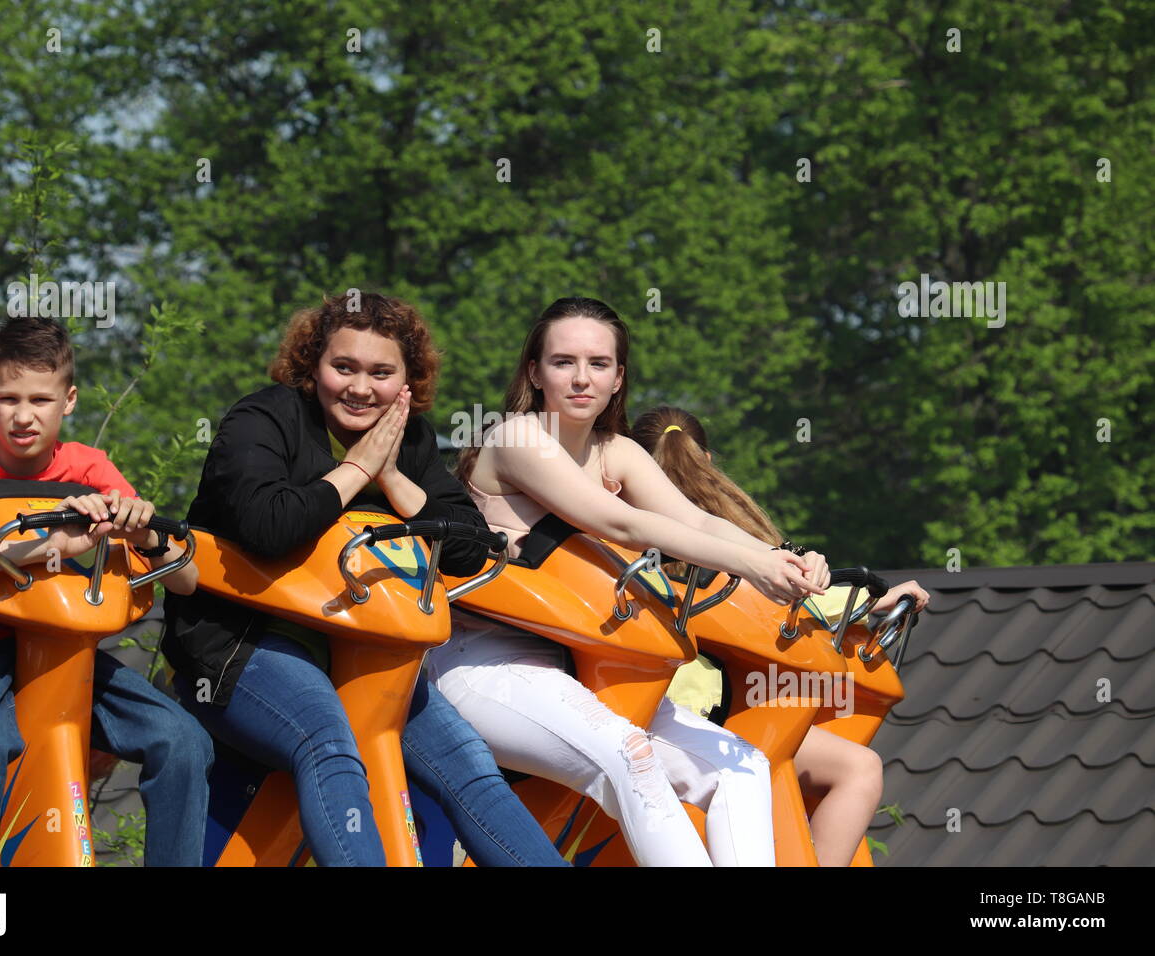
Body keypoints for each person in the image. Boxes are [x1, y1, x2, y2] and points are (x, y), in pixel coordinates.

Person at [161, 291, 565, 866]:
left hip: (366, 651)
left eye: (381, 373)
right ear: (311, 366)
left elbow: (470, 549)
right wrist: (355, 470)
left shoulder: (412, 438)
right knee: (329, 744)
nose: (359, 387)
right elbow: (269, 527)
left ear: (408, 382)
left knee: (471, 770)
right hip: (240, 641)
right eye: (342, 367)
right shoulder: (261, 419)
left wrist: (393, 474)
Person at [425, 296, 831, 866]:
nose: (581, 377)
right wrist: (752, 567)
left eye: (599, 363)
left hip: (585, 666)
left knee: (743, 768)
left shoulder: (616, 451)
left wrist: (787, 556)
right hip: (487, 661)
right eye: (563, 362)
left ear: (619, 377)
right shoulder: (517, 437)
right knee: (630, 755)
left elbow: (696, 518)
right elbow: (622, 520)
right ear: (535, 373)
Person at [0, 316, 212, 866]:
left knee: (183, 740)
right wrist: (46, 545)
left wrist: (143, 530)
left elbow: (185, 578)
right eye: (8, 399)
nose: (23, 416)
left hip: (65, 654)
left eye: (40, 399)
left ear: (68, 400)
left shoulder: (91, 468)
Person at [630, 405, 930, 866]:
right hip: (715, 714)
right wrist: (871, 600)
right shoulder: (725, 540)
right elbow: (787, 599)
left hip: (653, 706)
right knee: (858, 769)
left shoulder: (618, 526)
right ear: (707, 460)